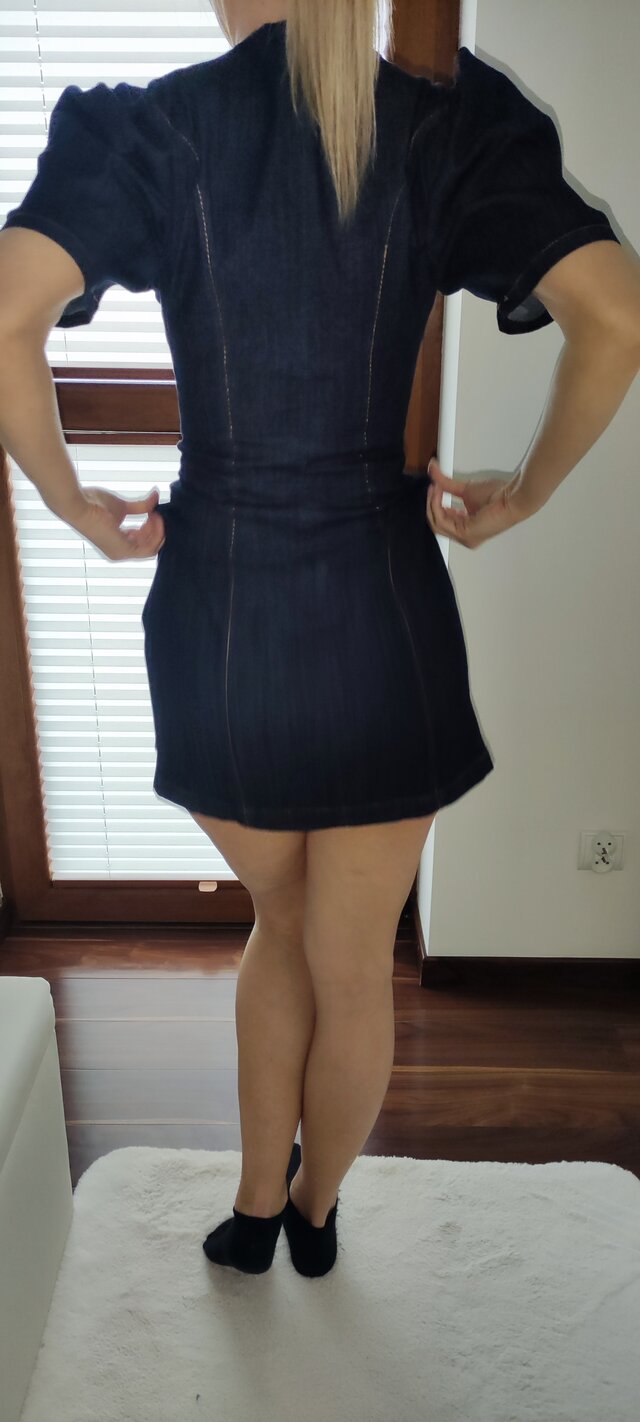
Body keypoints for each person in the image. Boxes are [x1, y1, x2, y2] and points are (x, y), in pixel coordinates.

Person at [0, 0, 638, 1277]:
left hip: (220, 618)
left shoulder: (153, 128)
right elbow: (616, 319)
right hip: (380, 615)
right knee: (349, 962)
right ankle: (312, 1214)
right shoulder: (445, 124)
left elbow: (6, 312)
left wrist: (70, 503)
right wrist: (520, 496)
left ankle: (251, 1208)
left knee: (278, 924)